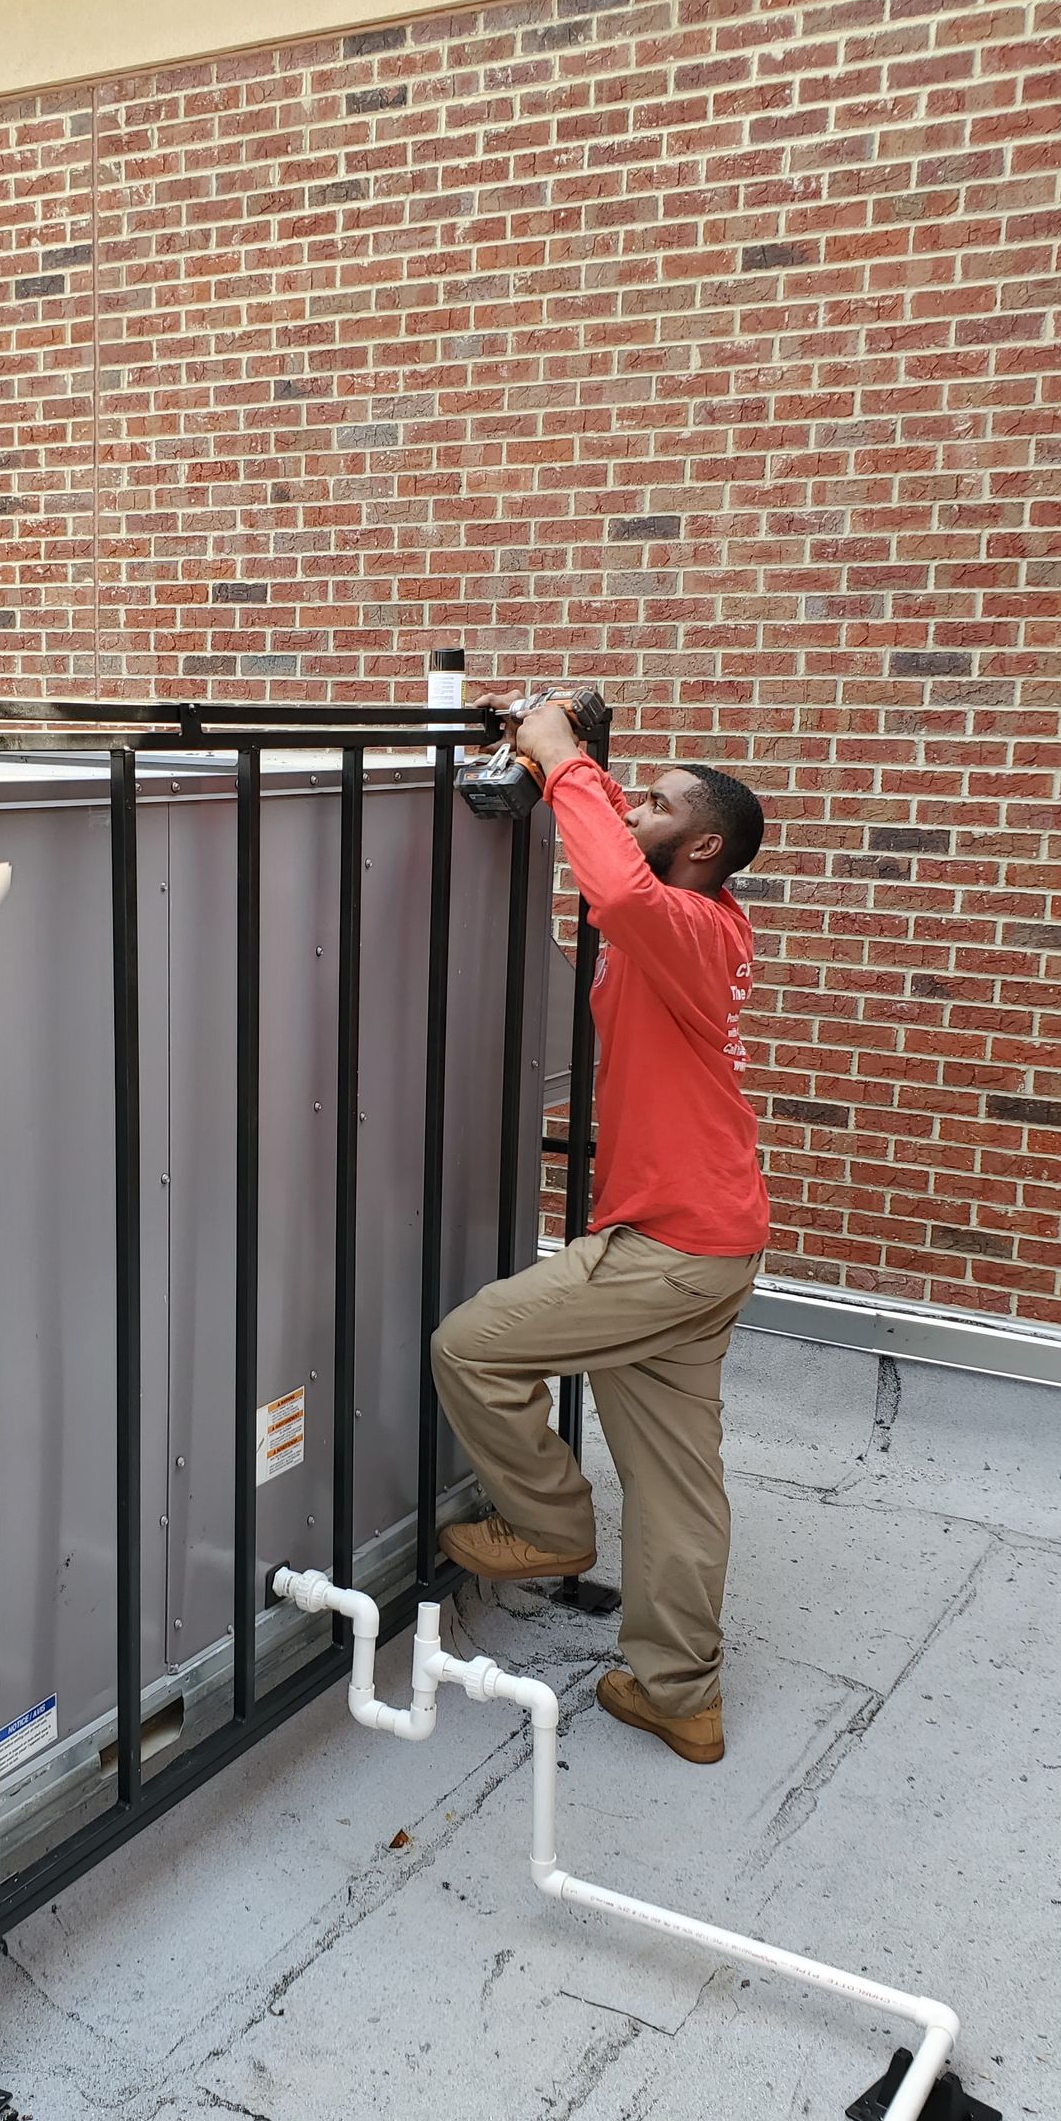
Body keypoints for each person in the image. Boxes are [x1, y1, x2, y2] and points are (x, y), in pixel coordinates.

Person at [432, 693, 768, 1766]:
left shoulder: (686, 924)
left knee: (473, 1345)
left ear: (704, 845)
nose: (635, 805)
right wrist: (553, 751)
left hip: (669, 1247)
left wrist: (566, 757)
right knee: (676, 1481)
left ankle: (548, 1526)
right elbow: (621, 852)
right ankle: (681, 1693)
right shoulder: (690, 919)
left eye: (659, 802)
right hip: (709, 1238)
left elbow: (617, 887)